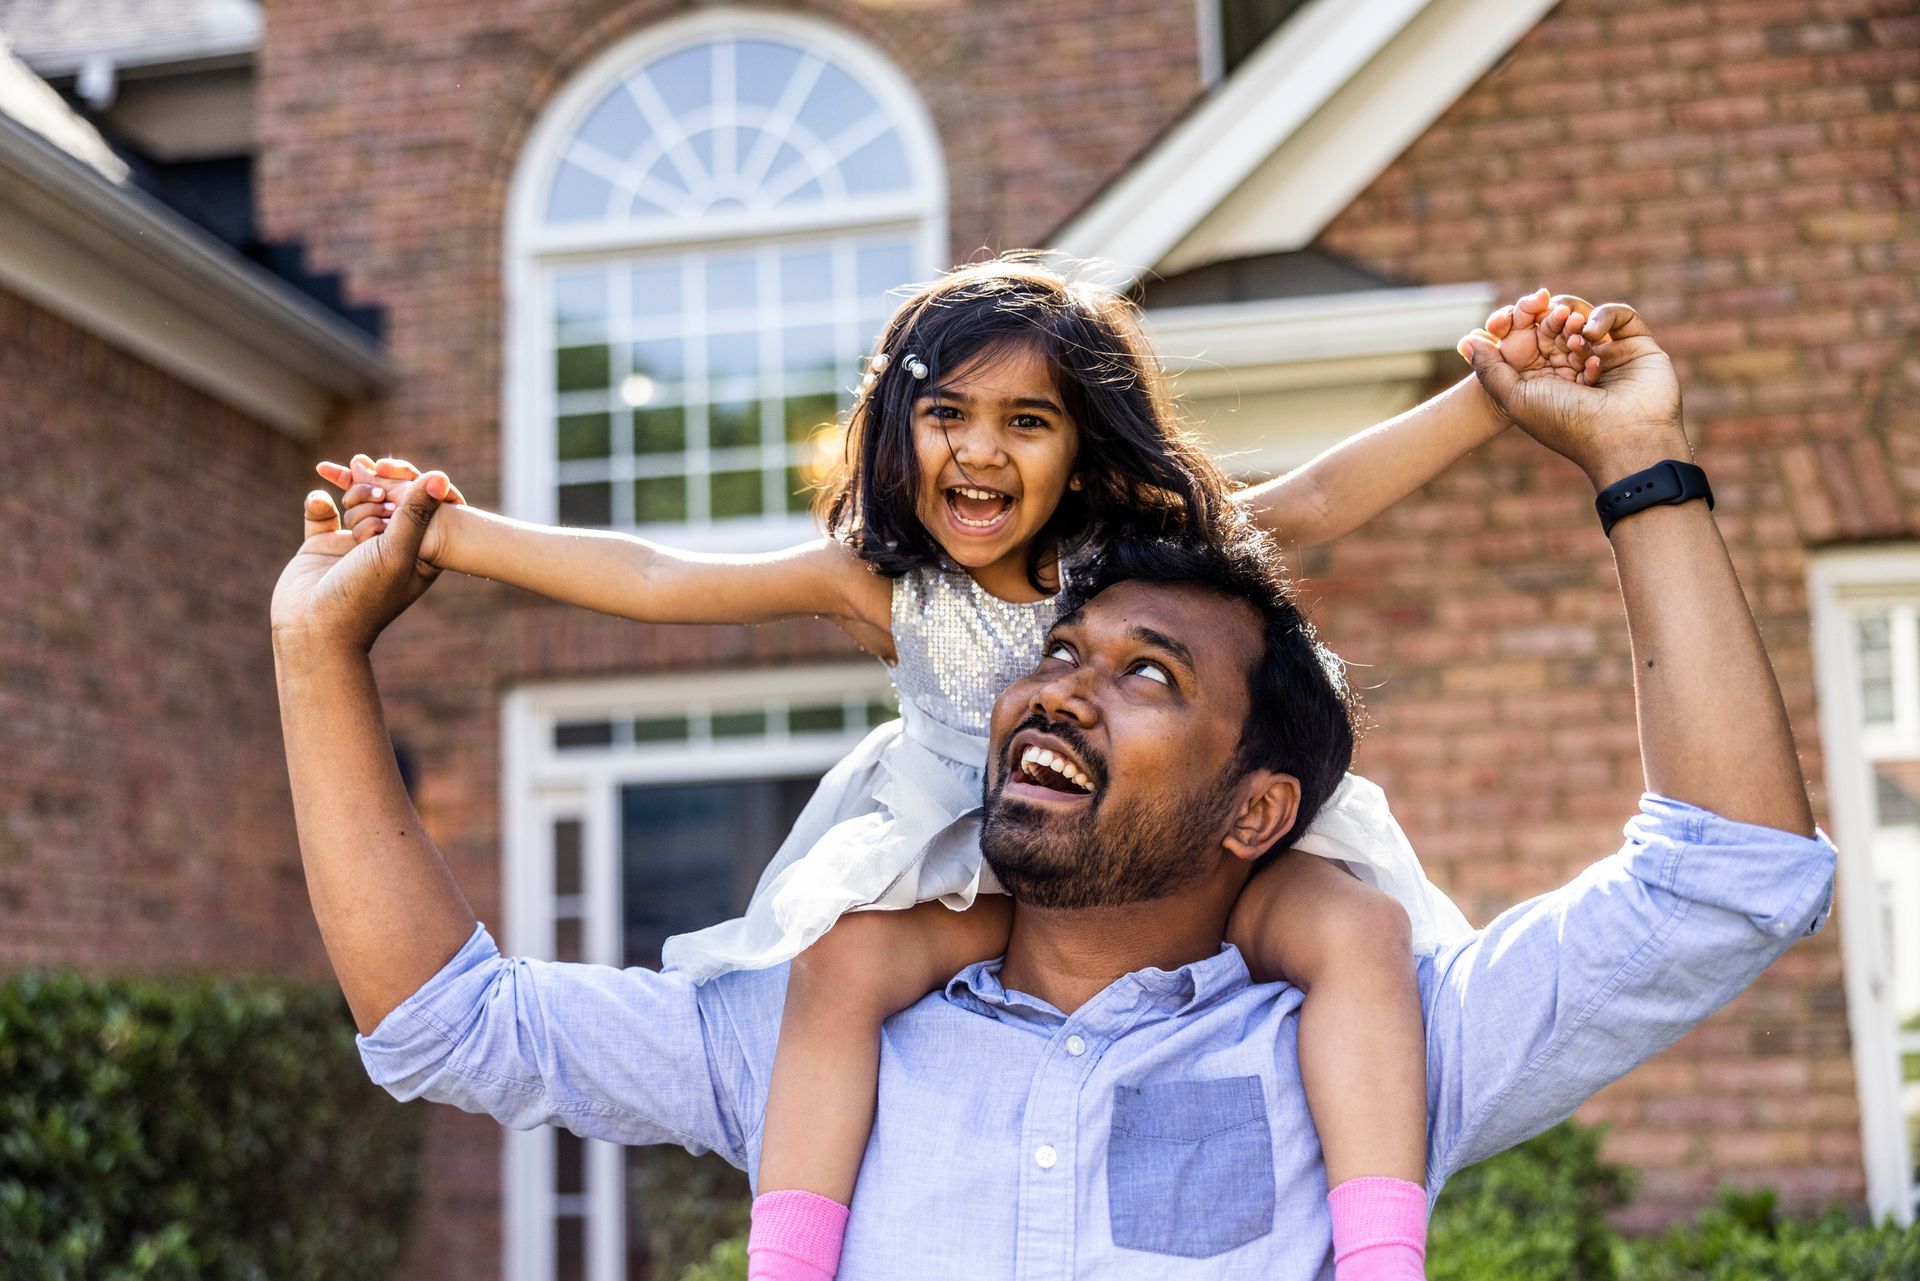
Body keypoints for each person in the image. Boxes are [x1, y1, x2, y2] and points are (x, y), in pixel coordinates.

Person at [272, 297, 1834, 1279]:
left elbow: (1725, 877)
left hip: (1287, 914)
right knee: (841, 963)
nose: (1062, 682)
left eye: (1147, 673)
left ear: (1253, 798)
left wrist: (1539, 418)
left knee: (1353, 932)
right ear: (896, 428)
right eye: (944, 413)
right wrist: (424, 555)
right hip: (937, 864)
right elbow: (454, 1015)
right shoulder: (844, 992)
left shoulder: (1368, 1035)